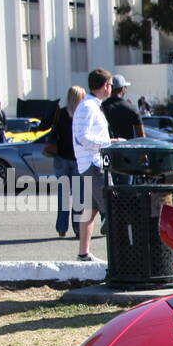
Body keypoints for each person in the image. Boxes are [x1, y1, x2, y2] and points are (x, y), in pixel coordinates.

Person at [72, 68, 121, 262]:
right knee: (113, 209)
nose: (111, 88)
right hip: (94, 164)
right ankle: (119, 257)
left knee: (89, 211)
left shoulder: (91, 105)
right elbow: (82, 137)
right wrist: (110, 143)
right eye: (110, 84)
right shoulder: (88, 107)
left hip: (89, 164)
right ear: (104, 86)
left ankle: (83, 253)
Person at [49, 85, 85, 238]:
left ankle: (61, 227)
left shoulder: (60, 113)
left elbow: (52, 131)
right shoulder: (83, 115)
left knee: (63, 194)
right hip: (77, 158)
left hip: (60, 158)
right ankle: (78, 228)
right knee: (79, 196)